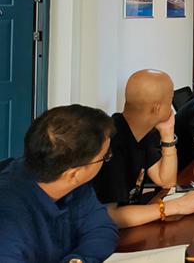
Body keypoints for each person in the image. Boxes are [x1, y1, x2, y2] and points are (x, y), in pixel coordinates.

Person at [92, 70, 194, 228]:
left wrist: (167, 134)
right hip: (107, 233)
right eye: (170, 99)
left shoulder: (144, 132)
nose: (172, 106)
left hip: (135, 219)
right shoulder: (111, 142)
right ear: (157, 108)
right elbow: (110, 216)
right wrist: (175, 206)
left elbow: (166, 181)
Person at [0, 105, 118, 262]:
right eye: (105, 156)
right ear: (74, 174)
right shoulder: (9, 224)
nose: (107, 159)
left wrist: (79, 259)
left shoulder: (73, 183)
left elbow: (102, 228)